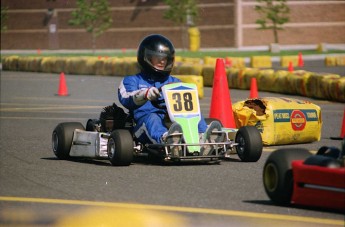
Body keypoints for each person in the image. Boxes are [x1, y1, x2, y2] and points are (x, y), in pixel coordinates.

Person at [118, 34, 221, 154]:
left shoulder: (175, 82)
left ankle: (203, 137)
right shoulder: (132, 80)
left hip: (173, 122)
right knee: (152, 118)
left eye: (165, 58)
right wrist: (144, 94)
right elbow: (125, 98)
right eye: (158, 58)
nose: (162, 61)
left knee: (194, 114)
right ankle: (167, 139)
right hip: (142, 125)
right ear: (146, 58)